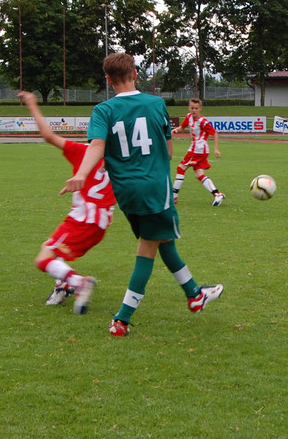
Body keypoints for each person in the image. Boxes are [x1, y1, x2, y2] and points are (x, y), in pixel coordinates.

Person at [62, 53, 223, 336]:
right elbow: (169, 152)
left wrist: (81, 175)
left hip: (125, 193)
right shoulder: (155, 104)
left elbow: (97, 146)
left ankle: (195, 295)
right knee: (148, 248)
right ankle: (121, 320)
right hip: (154, 188)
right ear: (135, 74)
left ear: (108, 80)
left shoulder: (103, 110)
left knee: (162, 240)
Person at [19, 91, 114, 314]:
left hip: (83, 219)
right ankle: (62, 287)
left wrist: (32, 104)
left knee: (44, 257)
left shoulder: (83, 151)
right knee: (55, 249)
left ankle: (79, 283)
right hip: (100, 224)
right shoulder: (120, 159)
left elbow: (49, 136)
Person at [172, 98, 225, 206]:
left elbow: (214, 133)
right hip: (198, 149)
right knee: (199, 174)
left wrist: (216, 149)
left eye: (196, 108)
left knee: (180, 168)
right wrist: (176, 130)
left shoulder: (202, 121)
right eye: (192, 108)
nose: (194, 110)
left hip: (198, 149)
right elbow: (182, 127)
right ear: (189, 108)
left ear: (200, 109)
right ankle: (217, 194)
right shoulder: (188, 117)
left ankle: (173, 197)